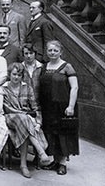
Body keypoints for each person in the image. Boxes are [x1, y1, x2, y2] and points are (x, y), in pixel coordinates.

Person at [3, 63, 52, 178]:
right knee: (24, 119)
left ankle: (23, 165)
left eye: (19, 75)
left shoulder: (27, 87)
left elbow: (35, 107)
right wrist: (26, 115)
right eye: (14, 74)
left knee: (24, 124)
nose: (16, 77)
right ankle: (41, 151)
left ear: (22, 76)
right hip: (10, 118)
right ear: (9, 75)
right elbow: (7, 108)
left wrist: (38, 122)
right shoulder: (4, 88)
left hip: (25, 122)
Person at [38, 40, 79, 176]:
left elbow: (74, 87)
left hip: (63, 106)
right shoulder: (44, 67)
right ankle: (55, 161)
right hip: (47, 106)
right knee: (50, 133)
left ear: (61, 52)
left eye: (55, 50)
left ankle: (62, 163)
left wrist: (71, 106)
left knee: (62, 134)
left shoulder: (67, 67)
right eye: (50, 50)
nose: (52, 53)